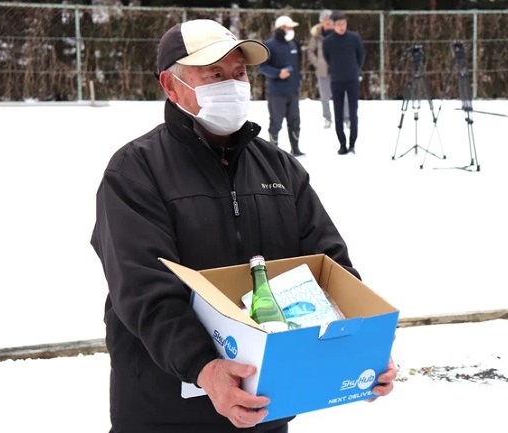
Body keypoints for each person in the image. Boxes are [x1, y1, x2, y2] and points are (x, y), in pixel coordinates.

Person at [90, 18, 397, 433]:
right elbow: (146, 294)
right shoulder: (135, 172)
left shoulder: (279, 167)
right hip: (164, 411)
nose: (231, 85)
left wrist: (362, 341)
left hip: (265, 405)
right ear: (170, 84)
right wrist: (205, 367)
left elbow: (330, 265)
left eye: (238, 73)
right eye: (214, 74)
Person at [258, 15, 304, 156]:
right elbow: (262, 67)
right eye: (289, 27)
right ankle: (273, 152)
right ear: (281, 28)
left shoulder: (293, 44)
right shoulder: (269, 45)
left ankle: (295, 149)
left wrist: (298, 80)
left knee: (295, 121)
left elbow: (298, 66)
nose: (291, 30)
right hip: (277, 93)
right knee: (276, 123)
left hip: (293, 91)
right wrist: (278, 73)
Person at [323, 11, 365, 155]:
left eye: (344, 24)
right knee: (338, 113)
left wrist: (354, 69)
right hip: (336, 79)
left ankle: (353, 143)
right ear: (333, 25)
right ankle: (342, 144)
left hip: (352, 78)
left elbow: (361, 56)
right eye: (339, 24)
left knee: (353, 112)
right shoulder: (328, 41)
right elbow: (327, 57)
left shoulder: (354, 38)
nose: (342, 27)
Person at [307, 9, 349, 129]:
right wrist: (317, 63)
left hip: (340, 71)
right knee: (324, 97)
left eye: (329, 20)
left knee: (344, 96)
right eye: (325, 20)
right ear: (321, 22)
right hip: (323, 71)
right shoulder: (317, 35)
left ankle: (346, 118)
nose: (328, 23)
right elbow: (310, 50)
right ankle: (327, 118)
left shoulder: (340, 34)